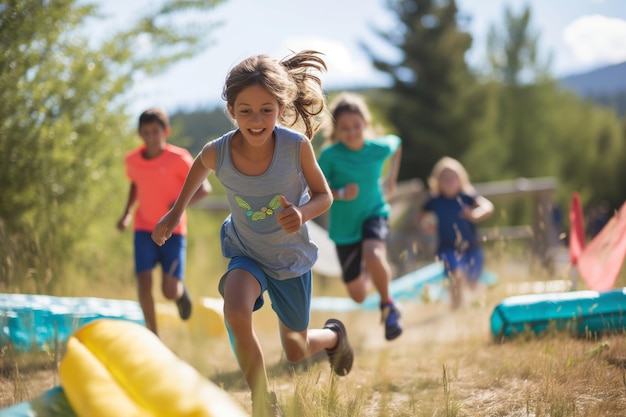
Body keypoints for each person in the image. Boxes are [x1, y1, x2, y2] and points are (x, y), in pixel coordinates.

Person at [151, 51, 354, 417]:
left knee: (295, 350)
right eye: (245, 111)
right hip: (246, 251)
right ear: (231, 110)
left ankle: (335, 337)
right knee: (235, 309)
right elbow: (196, 172)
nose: (256, 120)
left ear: (280, 106)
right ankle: (263, 401)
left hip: (290, 260)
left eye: (265, 110)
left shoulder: (296, 147)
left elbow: (325, 196)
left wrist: (302, 213)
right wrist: (174, 213)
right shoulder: (219, 152)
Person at [117, 107, 211, 336]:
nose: (150, 137)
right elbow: (134, 184)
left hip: (173, 231)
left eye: (155, 132)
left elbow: (204, 189)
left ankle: (180, 294)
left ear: (165, 131)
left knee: (168, 291)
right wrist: (128, 213)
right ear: (139, 134)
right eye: (145, 132)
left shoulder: (179, 158)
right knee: (144, 283)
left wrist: (177, 208)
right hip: (144, 229)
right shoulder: (132, 160)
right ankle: (153, 335)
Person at [317, 92, 403, 341]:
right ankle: (368, 269)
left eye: (356, 125)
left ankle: (389, 307)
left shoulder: (378, 148)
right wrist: (341, 192)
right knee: (358, 295)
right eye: (345, 128)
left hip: (374, 214)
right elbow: (315, 189)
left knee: (374, 253)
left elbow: (397, 143)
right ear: (336, 130)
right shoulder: (331, 156)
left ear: (365, 123)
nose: (352, 132)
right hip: (344, 230)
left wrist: (391, 181)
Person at [420, 156, 494, 309]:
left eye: (453, 178)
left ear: (461, 179)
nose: (449, 182)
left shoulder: (466, 197)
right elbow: (421, 216)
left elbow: (488, 206)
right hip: (447, 248)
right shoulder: (434, 200)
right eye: (444, 179)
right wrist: (426, 225)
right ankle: (455, 311)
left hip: (472, 248)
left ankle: (474, 302)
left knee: (472, 282)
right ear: (437, 181)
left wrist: (475, 215)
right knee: (455, 275)